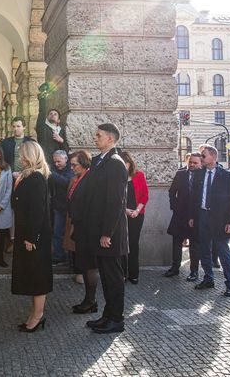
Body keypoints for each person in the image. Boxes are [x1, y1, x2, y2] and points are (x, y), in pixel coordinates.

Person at [82, 124, 128, 334]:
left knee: (113, 277)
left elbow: (116, 202)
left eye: (99, 135)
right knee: (106, 277)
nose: (95, 137)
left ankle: (116, 319)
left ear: (110, 139)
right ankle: (107, 315)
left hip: (109, 233)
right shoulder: (99, 161)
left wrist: (106, 233)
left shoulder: (116, 164)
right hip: (98, 230)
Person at [11, 141, 53, 332]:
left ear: (30, 156)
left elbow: (38, 210)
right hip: (27, 233)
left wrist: (31, 237)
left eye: (22, 155)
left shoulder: (36, 178)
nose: (20, 158)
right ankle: (34, 313)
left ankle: (38, 316)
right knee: (31, 274)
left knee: (37, 276)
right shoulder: (29, 176)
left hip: (33, 235)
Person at [190, 145, 230, 297]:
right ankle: (208, 278)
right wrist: (192, 216)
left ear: (213, 157)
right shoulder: (199, 174)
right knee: (204, 249)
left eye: (203, 156)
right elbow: (193, 197)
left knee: (223, 251)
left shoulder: (228, 176)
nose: (201, 159)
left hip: (220, 219)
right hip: (202, 216)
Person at [65, 150, 95, 313]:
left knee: (89, 266)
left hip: (87, 229)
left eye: (74, 164)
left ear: (84, 163)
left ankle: (91, 301)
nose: (72, 167)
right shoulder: (78, 178)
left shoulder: (89, 179)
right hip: (79, 226)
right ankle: (88, 300)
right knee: (83, 264)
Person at [164, 152, 202, 281]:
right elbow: (172, 191)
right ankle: (175, 268)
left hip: (195, 215)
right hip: (179, 214)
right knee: (176, 242)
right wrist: (174, 206)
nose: (191, 164)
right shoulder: (181, 174)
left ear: (200, 163)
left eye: (195, 163)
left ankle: (194, 271)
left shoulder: (203, 175)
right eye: (190, 162)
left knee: (194, 245)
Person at [1, 117, 34, 253]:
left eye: (18, 126)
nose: (16, 129)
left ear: (24, 127)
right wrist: (11, 173)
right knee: (12, 209)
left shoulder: (30, 142)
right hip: (11, 179)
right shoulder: (6, 143)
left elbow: (35, 160)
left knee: (26, 209)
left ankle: (27, 239)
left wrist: (24, 173)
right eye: (14, 126)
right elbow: (3, 161)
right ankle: (13, 240)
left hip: (28, 179)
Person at [119, 151, 149, 284]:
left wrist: (136, 211)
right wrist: (124, 210)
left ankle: (134, 274)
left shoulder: (139, 175)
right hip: (120, 215)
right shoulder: (117, 178)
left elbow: (144, 196)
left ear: (130, 164)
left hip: (137, 215)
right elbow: (114, 198)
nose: (122, 166)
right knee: (121, 244)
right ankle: (122, 273)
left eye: (124, 164)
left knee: (133, 243)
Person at [48, 150, 73, 265]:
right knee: (57, 233)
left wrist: (50, 173)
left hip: (68, 207)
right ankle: (59, 255)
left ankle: (64, 256)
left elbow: (66, 182)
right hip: (58, 206)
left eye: (59, 161)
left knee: (64, 233)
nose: (56, 164)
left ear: (66, 159)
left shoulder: (71, 169)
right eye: (55, 162)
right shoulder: (56, 170)